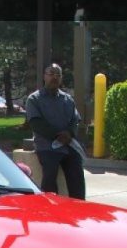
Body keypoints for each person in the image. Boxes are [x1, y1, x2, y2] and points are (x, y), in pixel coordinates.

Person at [25, 63, 86, 199]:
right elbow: (36, 123)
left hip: (68, 145)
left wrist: (69, 134)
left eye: (58, 75)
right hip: (47, 146)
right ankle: (50, 205)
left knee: (77, 174)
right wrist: (56, 135)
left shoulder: (67, 99)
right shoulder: (34, 99)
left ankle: (79, 206)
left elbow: (75, 120)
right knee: (50, 175)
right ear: (44, 77)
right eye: (51, 74)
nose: (55, 77)